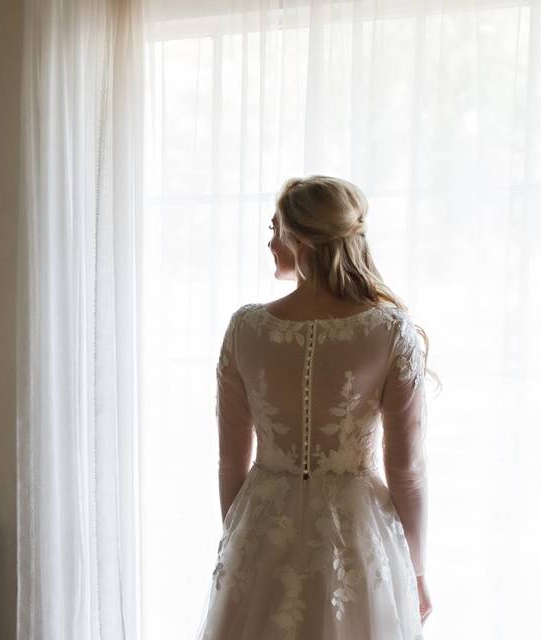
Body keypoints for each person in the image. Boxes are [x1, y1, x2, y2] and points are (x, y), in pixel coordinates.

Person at [195, 175, 435, 639]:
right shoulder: (390, 332)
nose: (269, 243)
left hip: (262, 529)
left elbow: (230, 461)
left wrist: (238, 541)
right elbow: (407, 470)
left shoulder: (245, 329)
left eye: (274, 229)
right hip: (357, 534)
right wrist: (417, 569)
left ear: (300, 239)